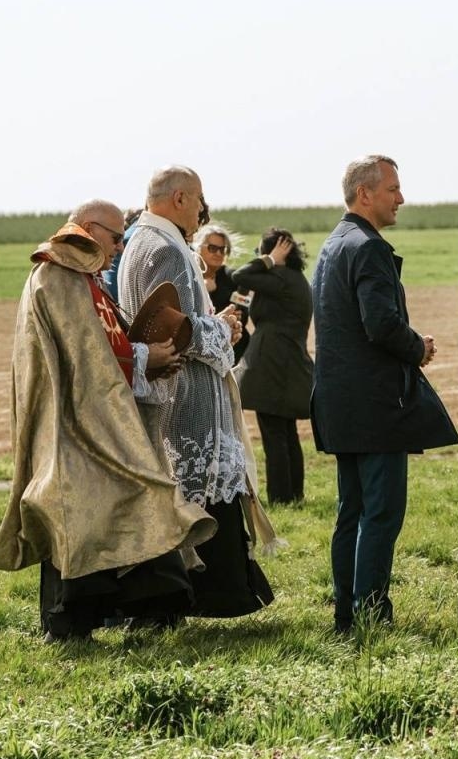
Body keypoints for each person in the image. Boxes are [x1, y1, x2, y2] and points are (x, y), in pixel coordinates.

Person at [0, 201, 215, 640]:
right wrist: (145, 357)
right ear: (88, 228)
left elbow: (104, 342)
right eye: (115, 237)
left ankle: (146, 608)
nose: (120, 247)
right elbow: (86, 357)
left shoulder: (83, 277)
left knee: (123, 502)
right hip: (72, 423)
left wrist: (147, 359)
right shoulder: (58, 274)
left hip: (95, 416)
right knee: (79, 516)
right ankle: (70, 621)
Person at [117, 166, 274, 618]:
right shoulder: (164, 248)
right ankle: (210, 593)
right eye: (199, 199)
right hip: (185, 397)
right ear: (180, 198)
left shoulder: (141, 241)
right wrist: (223, 327)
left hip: (169, 391)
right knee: (195, 500)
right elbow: (180, 330)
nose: (204, 210)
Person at [312, 155, 458, 632]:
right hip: (376, 406)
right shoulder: (369, 248)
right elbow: (379, 324)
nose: (401, 198)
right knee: (380, 512)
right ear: (365, 194)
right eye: (393, 189)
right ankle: (371, 613)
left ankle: (345, 613)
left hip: (339, 402)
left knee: (350, 511)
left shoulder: (333, 244)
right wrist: (417, 347)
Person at [234, 227, 314, 505]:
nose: (260, 257)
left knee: (274, 434)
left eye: (261, 251)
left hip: (271, 365)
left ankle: (280, 498)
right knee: (287, 432)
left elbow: (240, 275)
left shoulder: (279, 277)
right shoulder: (296, 279)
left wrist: (268, 260)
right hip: (287, 363)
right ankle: (294, 495)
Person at [194, 222, 251, 362]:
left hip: (233, 352)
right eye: (212, 248)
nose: (218, 253)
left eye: (222, 249)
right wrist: (204, 289)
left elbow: (243, 313)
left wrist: (239, 314)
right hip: (200, 351)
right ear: (198, 248)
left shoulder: (233, 278)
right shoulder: (191, 276)